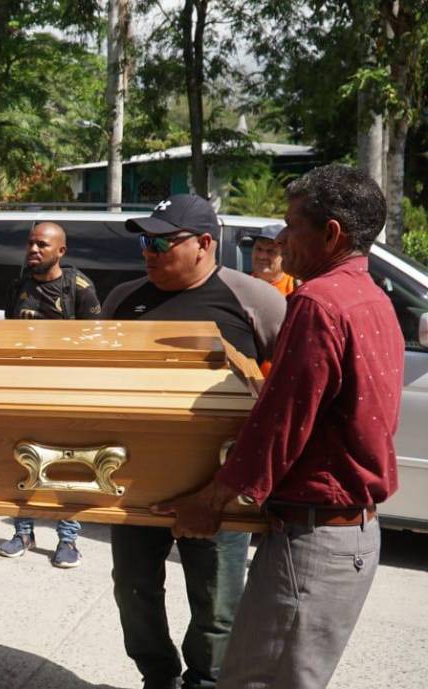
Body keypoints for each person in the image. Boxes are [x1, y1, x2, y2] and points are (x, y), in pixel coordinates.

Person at [153, 165, 401, 689]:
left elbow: (281, 425)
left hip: (315, 543)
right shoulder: (373, 297)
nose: (282, 239)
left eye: (292, 225)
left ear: (331, 232)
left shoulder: (319, 302)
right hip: (347, 534)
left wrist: (212, 500)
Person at [101, 194, 287, 689]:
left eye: (162, 241)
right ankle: (155, 677)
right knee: (133, 590)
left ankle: (204, 682)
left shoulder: (257, 300)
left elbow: (285, 391)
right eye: (144, 239)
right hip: (137, 480)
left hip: (218, 488)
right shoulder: (123, 298)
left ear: (205, 243)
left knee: (217, 606)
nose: (149, 250)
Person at [0, 221, 100, 568]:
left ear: (61, 251)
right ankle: (22, 531)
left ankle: (68, 538)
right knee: (20, 459)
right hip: (22, 389)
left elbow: (95, 345)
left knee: (67, 464)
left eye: (42, 244)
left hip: (67, 392)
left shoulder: (80, 288)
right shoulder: (17, 286)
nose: (34, 250)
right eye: (30, 243)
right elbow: (6, 335)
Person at [249, 224, 296, 296]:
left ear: (287, 256)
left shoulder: (296, 289)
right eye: (259, 249)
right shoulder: (238, 286)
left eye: (271, 251)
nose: (262, 256)